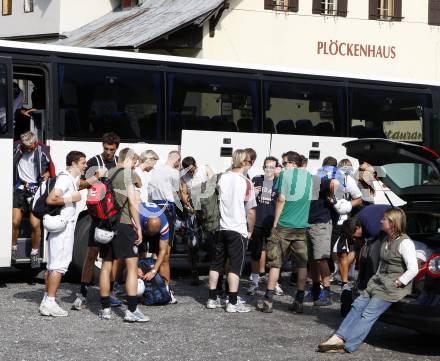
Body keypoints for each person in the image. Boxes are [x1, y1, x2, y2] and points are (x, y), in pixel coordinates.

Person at [318, 207, 418, 353]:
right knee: (357, 305)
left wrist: (399, 282)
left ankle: (348, 346)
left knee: (368, 314)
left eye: (384, 219)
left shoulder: (405, 243)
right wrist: (374, 279)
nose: (381, 221)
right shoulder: (385, 240)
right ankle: (339, 337)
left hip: (392, 286)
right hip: (378, 282)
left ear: (393, 223)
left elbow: (413, 269)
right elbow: (381, 264)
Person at [257, 151, 313, 314]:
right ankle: (299, 301)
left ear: (293, 164)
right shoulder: (309, 176)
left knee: (275, 263)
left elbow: (281, 198)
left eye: (285, 163)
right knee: (302, 264)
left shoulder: (285, 176)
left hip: (284, 225)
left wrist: (275, 221)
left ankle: (268, 300)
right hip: (301, 226)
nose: (282, 166)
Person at [72, 132, 122, 311]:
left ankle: (112, 290)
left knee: (115, 256)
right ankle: (82, 294)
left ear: (116, 148)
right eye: (106, 149)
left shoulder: (118, 163)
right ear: (102, 146)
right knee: (92, 254)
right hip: (98, 216)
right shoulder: (94, 162)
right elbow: (79, 184)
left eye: (112, 149)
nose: (108, 152)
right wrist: (95, 178)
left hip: (115, 216)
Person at [98, 148, 148, 322]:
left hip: (106, 225)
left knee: (106, 265)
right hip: (124, 224)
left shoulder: (107, 173)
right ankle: (131, 310)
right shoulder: (128, 174)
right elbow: (133, 203)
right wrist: (139, 227)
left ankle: (105, 309)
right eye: (135, 162)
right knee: (132, 267)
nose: (135, 165)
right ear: (131, 159)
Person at [207, 149, 256, 313]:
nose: (249, 164)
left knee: (216, 264)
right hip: (238, 228)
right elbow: (251, 211)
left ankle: (212, 298)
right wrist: (250, 230)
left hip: (221, 227)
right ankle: (232, 302)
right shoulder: (246, 182)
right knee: (235, 267)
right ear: (243, 162)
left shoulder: (222, 178)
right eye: (248, 161)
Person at [39, 151, 86, 317]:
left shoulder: (67, 178)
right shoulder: (65, 179)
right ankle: (50, 303)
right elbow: (51, 199)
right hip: (63, 227)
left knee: (53, 265)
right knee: (59, 265)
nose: (85, 166)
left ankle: (47, 300)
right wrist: (72, 199)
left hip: (61, 226)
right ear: (74, 163)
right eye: (82, 163)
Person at [12, 130, 51, 268]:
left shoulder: (41, 150)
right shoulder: (17, 148)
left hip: (36, 190)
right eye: (26, 146)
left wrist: (48, 174)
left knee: (35, 224)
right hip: (20, 188)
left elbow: (51, 167)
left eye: (31, 146)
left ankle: (34, 253)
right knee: (15, 221)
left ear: (35, 142)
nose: (29, 149)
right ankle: (13, 248)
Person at [148, 150, 181, 302]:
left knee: (155, 251)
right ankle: (166, 290)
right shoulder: (174, 172)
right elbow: (176, 193)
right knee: (166, 252)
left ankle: (155, 285)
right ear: (176, 160)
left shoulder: (155, 170)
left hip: (154, 207)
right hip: (167, 208)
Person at [306, 158, 338, 306]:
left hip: (321, 222)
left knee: (321, 258)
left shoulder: (316, 178)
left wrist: (331, 195)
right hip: (308, 222)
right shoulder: (303, 182)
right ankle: (315, 289)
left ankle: (327, 292)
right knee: (312, 259)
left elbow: (333, 183)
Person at [248, 156, 280, 295]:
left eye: (272, 167)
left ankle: (274, 283)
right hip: (257, 222)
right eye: (267, 166)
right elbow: (247, 198)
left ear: (277, 168)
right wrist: (252, 193)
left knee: (274, 255)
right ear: (263, 167)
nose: (269, 169)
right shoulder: (256, 179)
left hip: (272, 223)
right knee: (255, 253)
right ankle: (254, 282)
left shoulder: (279, 182)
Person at [180, 156, 214, 285]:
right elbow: (183, 192)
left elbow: (215, 184)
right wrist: (188, 205)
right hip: (193, 210)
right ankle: (194, 273)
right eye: (188, 172)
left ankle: (214, 272)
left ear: (196, 165)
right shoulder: (183, 176)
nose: (191, 173)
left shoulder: (205, 169)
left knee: (211, 240)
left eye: (192, 170)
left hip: (207, 210)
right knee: (192, 243)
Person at [330, 158, 363, 285]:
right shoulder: (334, 179)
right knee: (336, 250)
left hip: (343, 220)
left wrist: (346, 206)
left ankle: (343, 278)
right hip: (332, 220)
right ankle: (338, 271)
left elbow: (358, 199)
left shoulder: (348, 180)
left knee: (342, 251)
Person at [138, 202, 173, 303]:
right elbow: (130, 249)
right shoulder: (138, 219)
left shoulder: (164, 223)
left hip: (155, 226)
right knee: (140, 257)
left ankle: (166, 290)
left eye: (154, 233)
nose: (151, 236)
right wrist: (136, 267)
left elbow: (162, 250)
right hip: (141, 228)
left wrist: (153, 271)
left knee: (165, 258)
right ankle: (142, 289)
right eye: (150, 233)